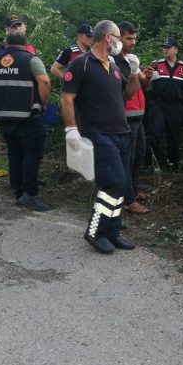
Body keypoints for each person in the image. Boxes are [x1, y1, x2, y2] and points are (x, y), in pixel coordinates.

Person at [60, 20, 142, 254]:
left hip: (121, 133)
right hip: (98, 134)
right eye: (117, 36)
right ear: (108, 37)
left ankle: (112, 231)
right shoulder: (81, 64)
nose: (119, 41)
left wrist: (134, 72)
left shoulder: (114, 66)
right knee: (112, 183)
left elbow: (128, 94)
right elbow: (67, 98)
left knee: (120, 184)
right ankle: (95, 231)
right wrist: (71, 130)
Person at [0, 31, 51, 211]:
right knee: (32, 155)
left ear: (6, 43)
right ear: (26, 43)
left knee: (15, 154)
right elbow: (44, 82)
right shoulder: (31, 59)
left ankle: (18, 190)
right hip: (28, 118)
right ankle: (30, 195)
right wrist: (44, 104)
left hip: (3, 117)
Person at [113, 21, 152, 214]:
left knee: (138, 155)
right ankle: (127, 200)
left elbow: (142, 87)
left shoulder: (131, 58)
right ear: (118, 38)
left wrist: (146, 76)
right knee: (127, 158)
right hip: (125, 116)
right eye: (129, 38)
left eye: (135, 38)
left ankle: (134, 190)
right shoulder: (114, 62)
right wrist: (137, 74)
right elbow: (126, 90)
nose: (133, 42)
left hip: (138, 115)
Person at [144, 36, 183, 171]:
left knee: (174, 134)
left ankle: (173, 162)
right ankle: (148, 162)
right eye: (164, 47)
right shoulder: (156, 64)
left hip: (176, 106)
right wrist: (149, 77)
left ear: (176, 50)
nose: (165, 50)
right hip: (158, 104)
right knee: (155, 131)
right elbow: (145, 84)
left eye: (168, 47)